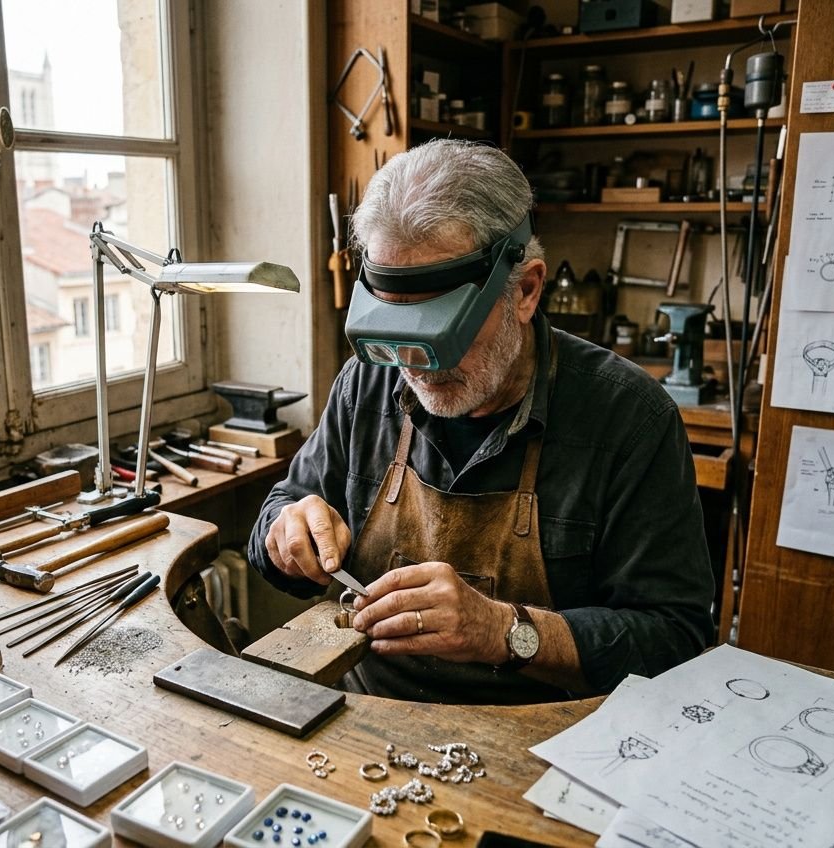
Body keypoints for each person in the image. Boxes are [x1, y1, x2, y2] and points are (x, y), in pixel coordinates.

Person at [247, 139, 714, 704]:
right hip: (370, 711)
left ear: (525, 289)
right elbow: (283, 510)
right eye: (396, 337)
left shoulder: (630, 418)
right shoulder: (365, 384)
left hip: (538, 737)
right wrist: (285, 534)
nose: (414, 367)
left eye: (442, 335)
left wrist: (504, 632)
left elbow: (676, 641)